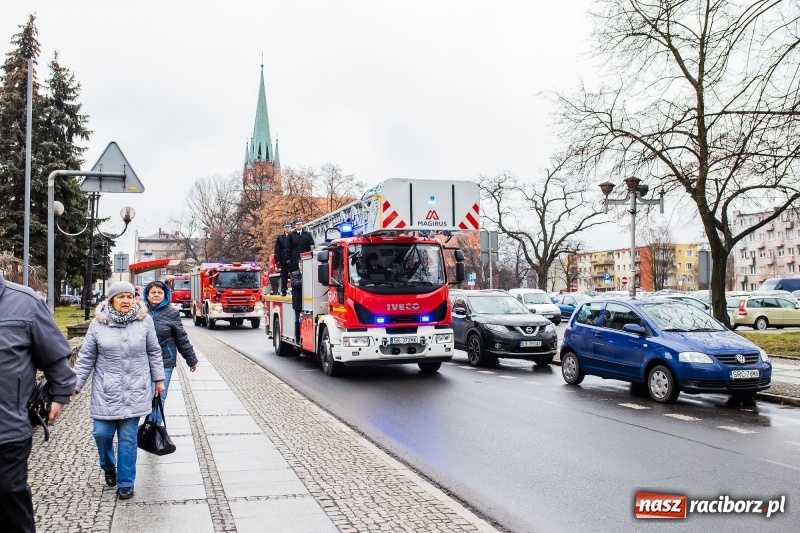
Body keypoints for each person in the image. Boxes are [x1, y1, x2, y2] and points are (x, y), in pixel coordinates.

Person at [73, 281, 165, 501]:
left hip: (135, 388)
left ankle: (126, 482)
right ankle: (108, 465)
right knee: (101, 433)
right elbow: (86, 357)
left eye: (129, 296)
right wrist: (73, 385)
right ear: (111, 300)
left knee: (127, 437)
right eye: (120, 297)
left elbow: (154, 351)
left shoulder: (145, 321)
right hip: (107, 389)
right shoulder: (98, 324)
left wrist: (158, 379)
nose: (126, 301)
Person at [0, 273, 76, 533]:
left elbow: (54, 354)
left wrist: (60, 393)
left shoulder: (25, 302)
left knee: (10, 495)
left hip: (8, 426)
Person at [143, 280, 198, 424]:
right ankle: (150, 425)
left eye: (159, 292)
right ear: (147, 295)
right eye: (153, 292)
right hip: (143, 360)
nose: (156, 295)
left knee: (160, 395)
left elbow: (181, 337)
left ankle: (154, 429)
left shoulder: (172, 313)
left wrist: (191, 359)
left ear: (165, 295)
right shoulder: (140, 312)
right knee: (148, 395)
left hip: (165, 360)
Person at [274, 221, 292, 296]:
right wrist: (277, 260)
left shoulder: (293, 236)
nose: (287, 229)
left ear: (291, 228)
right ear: (284, 228)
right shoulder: (280, 238)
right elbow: (277, 249)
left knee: (294, 276)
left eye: (288, 227)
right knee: (284, 276)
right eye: (285, 227)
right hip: (283, 260)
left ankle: (295, 291)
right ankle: (283, 291)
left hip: (292, 259)